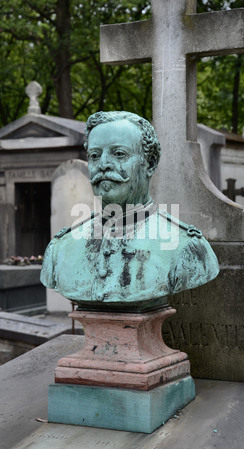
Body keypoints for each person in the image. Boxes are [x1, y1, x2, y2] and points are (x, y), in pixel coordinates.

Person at [41, 111, 219, 310]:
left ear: (150, 163)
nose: (104, 165)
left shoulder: (187, 247)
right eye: (94, 155)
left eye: (119, 154)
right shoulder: (60, 249)